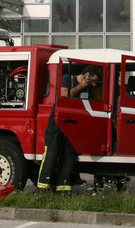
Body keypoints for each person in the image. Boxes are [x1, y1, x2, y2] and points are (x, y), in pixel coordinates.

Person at [37, 65, 101, 193]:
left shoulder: (89, 88)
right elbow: (63, 95)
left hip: (74, 125)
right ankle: (43, 186)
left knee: (70, 154)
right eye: (92, 80)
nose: (93, 84)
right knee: (52, 153)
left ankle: (63, 187)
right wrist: (81, 86)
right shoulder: (68, 79)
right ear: (86, 75)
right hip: (58, 123)